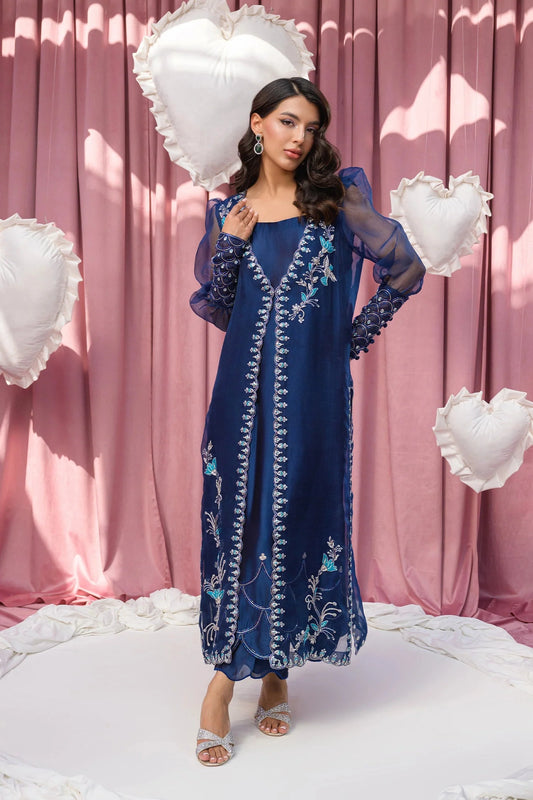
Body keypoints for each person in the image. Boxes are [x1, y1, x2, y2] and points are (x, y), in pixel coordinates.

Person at [190, 77, 425, 766]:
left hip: (313, 398)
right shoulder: (229, 212)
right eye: (288, 121)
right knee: (239, 524)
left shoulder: (335, 201)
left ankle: (274, 671)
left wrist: (349, 340)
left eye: (311, 127)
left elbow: (403, 269)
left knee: (297, 517)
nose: (300, 137)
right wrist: (231, 245)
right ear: (257, 124)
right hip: (240, 399)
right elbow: (221, 305)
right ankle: (228, 678)